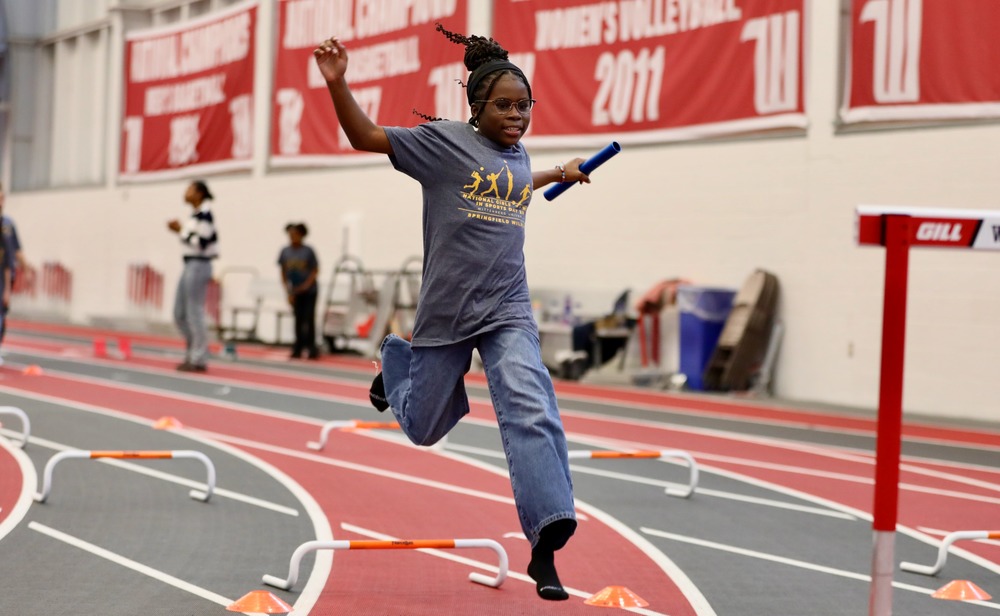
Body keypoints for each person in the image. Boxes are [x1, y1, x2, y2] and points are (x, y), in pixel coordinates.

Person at [314, 25, 592, 601]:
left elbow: (510, 183)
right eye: (505, 107)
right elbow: (366, 136)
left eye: (525, 107)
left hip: (507, 306)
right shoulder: (441, 146)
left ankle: (546, 538)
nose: (517, 116)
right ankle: (396, 364)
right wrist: (339, 84)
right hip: (447, 309)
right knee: (423, 427)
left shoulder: (517, 153)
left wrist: (555, 173)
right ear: (477, 107)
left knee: (528, 398)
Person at [168, 180, 218, 372]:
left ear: (199, 193)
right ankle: (193, 350)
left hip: (199, 264)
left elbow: (202, 242)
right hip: (189, 264)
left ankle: (199, 358)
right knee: (179, 313)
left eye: (189, 189)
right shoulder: (195, 216)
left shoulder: (205, 214)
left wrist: (180, 231)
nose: (185, 193)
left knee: (194, 311)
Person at [278, 222, 320, 359]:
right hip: (295, 291)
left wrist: (306, 285)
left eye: (295, 234)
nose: (292, 237)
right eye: (290, 234)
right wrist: (288, 291)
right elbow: (283, 271)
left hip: (309, 291)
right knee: (298, 319)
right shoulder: (285, 251)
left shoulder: (308, 251)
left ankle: (312, 348)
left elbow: (314, 270)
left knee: (308, 318)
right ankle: (298, 347)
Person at [0, 183, 20, 363]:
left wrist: (7, 288)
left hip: (2, 278)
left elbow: (10, 258)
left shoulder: (6, 226)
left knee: (1, 314)